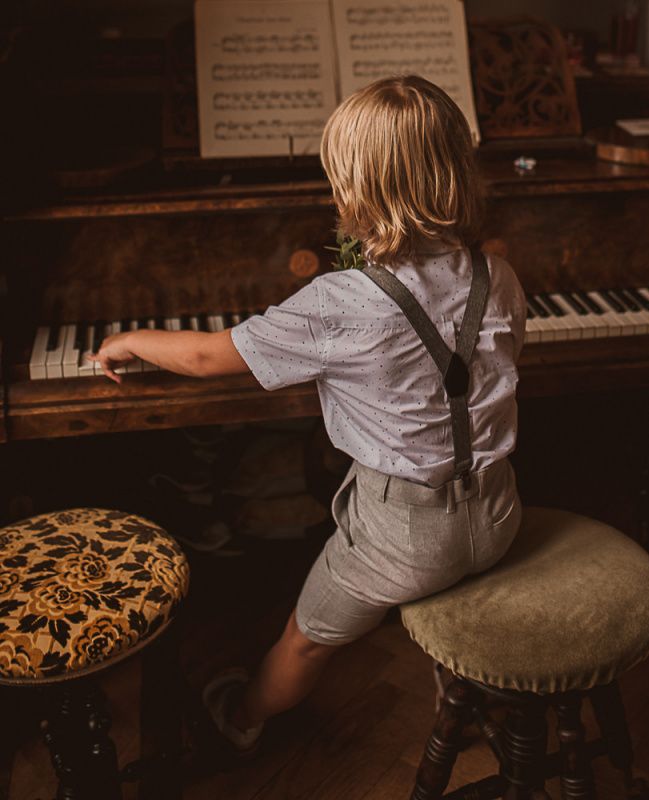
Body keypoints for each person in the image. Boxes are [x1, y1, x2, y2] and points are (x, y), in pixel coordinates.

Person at [91, 75, 527, 754]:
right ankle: (457, 679)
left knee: (304, 641)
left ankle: (239, 719)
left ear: (358, 188)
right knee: (444, 570)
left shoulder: (343, 300)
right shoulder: (496, 274)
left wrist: (133, 340)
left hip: (401, 536)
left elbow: (208, 358)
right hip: (498, 513)